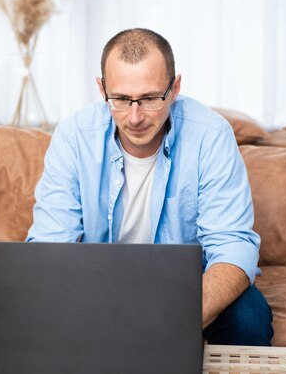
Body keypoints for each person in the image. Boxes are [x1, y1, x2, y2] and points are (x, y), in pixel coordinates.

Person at [26, 28, 273, 346]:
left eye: (150, 99)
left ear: (175, 88)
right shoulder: (73, 136)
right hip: (98, 281)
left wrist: (166, 321)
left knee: (248, 317)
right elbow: (50, 246)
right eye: (121, 99)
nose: (135, 117)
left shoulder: (211, 135)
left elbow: (233, 246)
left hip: (190, 285)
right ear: (102, 90)